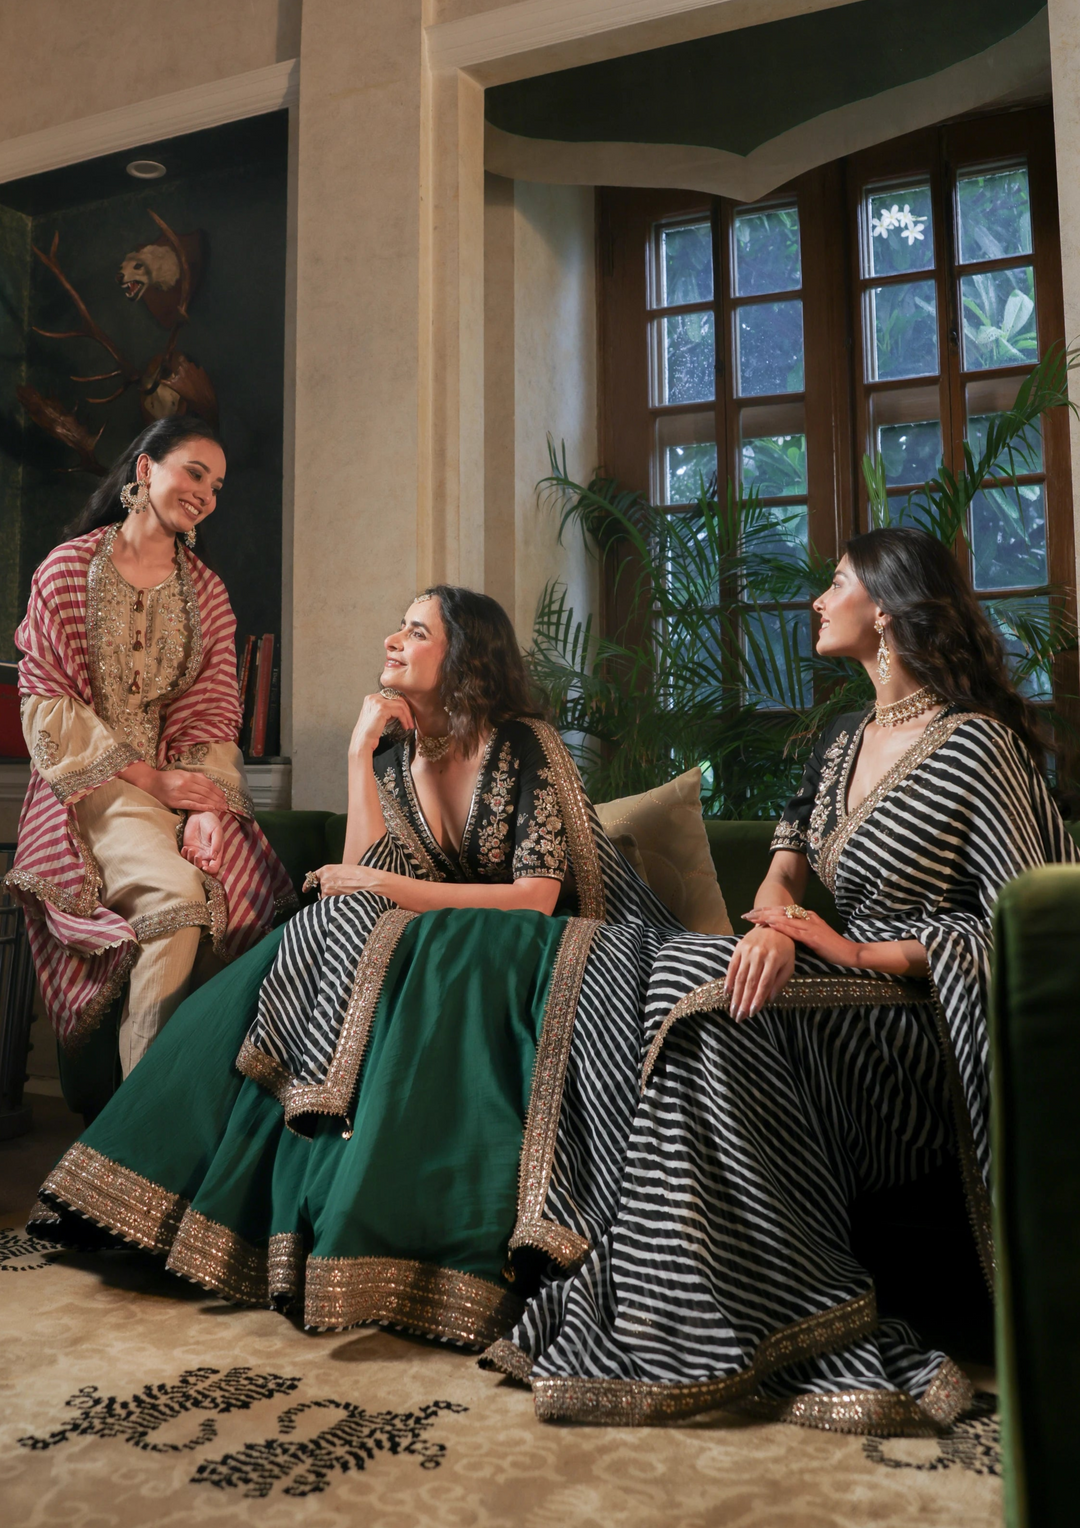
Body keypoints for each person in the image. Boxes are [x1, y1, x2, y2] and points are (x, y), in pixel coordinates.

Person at [487, 527, 1078, 1434]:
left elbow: (1018, 925)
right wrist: (772, 921)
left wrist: (840, 950)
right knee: (648, 970)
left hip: (915, 1024)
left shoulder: (979, 748)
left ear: (884, 607)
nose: (816, 599)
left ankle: (803, 1322)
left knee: (701, 989)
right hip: (831, 999)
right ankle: (656, 1294)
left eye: (835, 582)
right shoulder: (843, 741)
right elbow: (787, 858)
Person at [29, 586, 679, 1348]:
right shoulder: (401, 759)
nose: (392, 640)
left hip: (553, 943)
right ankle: (162, 1199)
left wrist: (383, 886)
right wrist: (358, 753)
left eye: (415, 630)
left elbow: (536, 900)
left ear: (465, 654)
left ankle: (411, 1239)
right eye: (396, 624)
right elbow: (358, 875)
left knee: (434, 951)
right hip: (445, 933)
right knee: (322, 932)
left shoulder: (525, 743)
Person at [7, 415, 293, 1075]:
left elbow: (211, 718)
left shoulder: (207, 594)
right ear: (145, 469)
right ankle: (137, 1143)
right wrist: (154, 782)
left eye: (217, 485)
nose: (206, 494)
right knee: (179, 902)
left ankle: (203, 1129)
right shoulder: (67, 571)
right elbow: (49, 705)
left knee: (244, 913)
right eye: (195, 472)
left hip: (182, 789)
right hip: (91, 790)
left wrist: (209, 813)